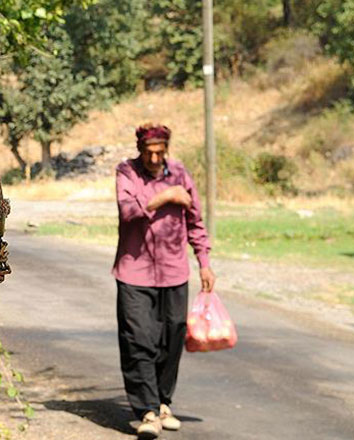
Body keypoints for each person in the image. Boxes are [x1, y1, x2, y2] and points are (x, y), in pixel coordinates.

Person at [112, 123, 215, 439]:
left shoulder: (180, 173)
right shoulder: (126, 172)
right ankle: (146, 411)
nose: (155, 158)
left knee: (171, 339)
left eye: (160, 152)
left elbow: (195, 222)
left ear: (167, 149)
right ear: (140, 149)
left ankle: (162, 403)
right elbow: (128, 209)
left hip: (174, 271)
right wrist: (166, 195)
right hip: (134, 271)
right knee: (138, 340)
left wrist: (205, 264)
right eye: (149, 152)